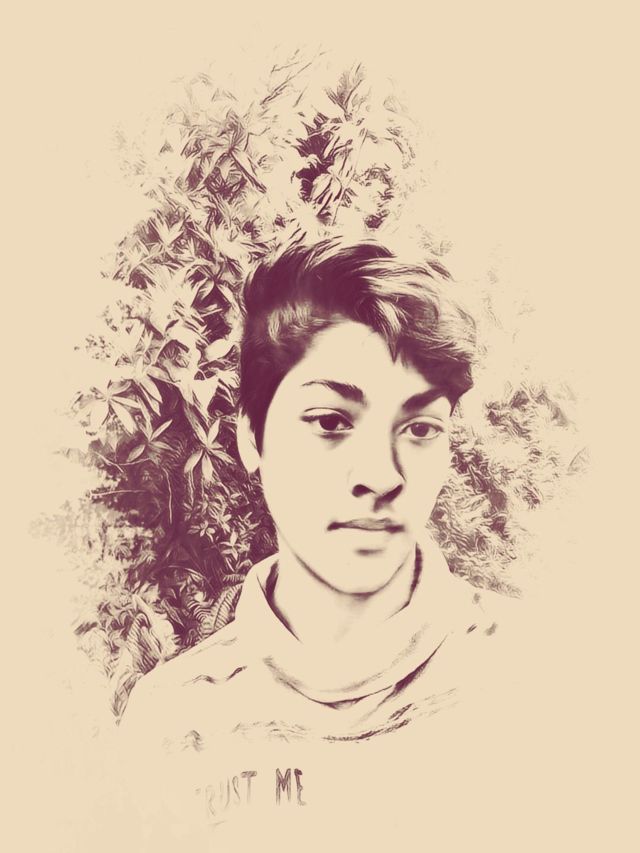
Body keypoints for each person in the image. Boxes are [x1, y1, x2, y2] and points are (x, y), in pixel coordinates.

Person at [118, 238, 524, 851]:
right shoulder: (173, 726)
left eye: (420, 428)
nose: (382, 476)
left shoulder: (544, 682)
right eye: (331, 422)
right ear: (251, 439)